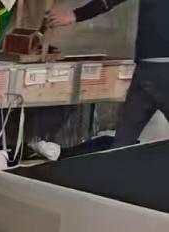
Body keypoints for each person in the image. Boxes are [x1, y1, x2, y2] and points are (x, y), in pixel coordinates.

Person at [49, 0, 169, 145]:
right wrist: (75, 15)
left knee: (124, 139)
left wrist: (75, 15)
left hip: (152, 68)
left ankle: (118, 156)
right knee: (124, 139)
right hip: (146, 69)